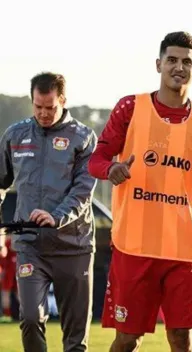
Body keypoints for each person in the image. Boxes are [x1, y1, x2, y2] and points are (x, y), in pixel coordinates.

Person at [88, 31, 192, 352]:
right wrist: (112, 170)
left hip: (184, 250)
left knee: (182, 340)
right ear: (158, 63)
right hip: (135, 247)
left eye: (186, 62)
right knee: (128, 340)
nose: (179, 67)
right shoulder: (131, 107)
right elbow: (97, 159)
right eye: (172, 60)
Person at [0, 72, 97, 351]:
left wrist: (56, 217)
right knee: (30, 318)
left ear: (63, 101)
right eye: (38, 106)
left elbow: (82, 192)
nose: (43, 113)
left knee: (75, 337)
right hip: (31, 246)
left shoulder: (84, 138)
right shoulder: (15, 135)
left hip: (74, 247)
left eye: (50, 107)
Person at [0, 235, 17, 323]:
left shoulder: (6, 241)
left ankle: (7, 315)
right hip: (19, 267)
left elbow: (3, 254)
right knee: (20, 294)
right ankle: (26, 314)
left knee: (5, 293)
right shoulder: (21, 238)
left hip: (8, 269)